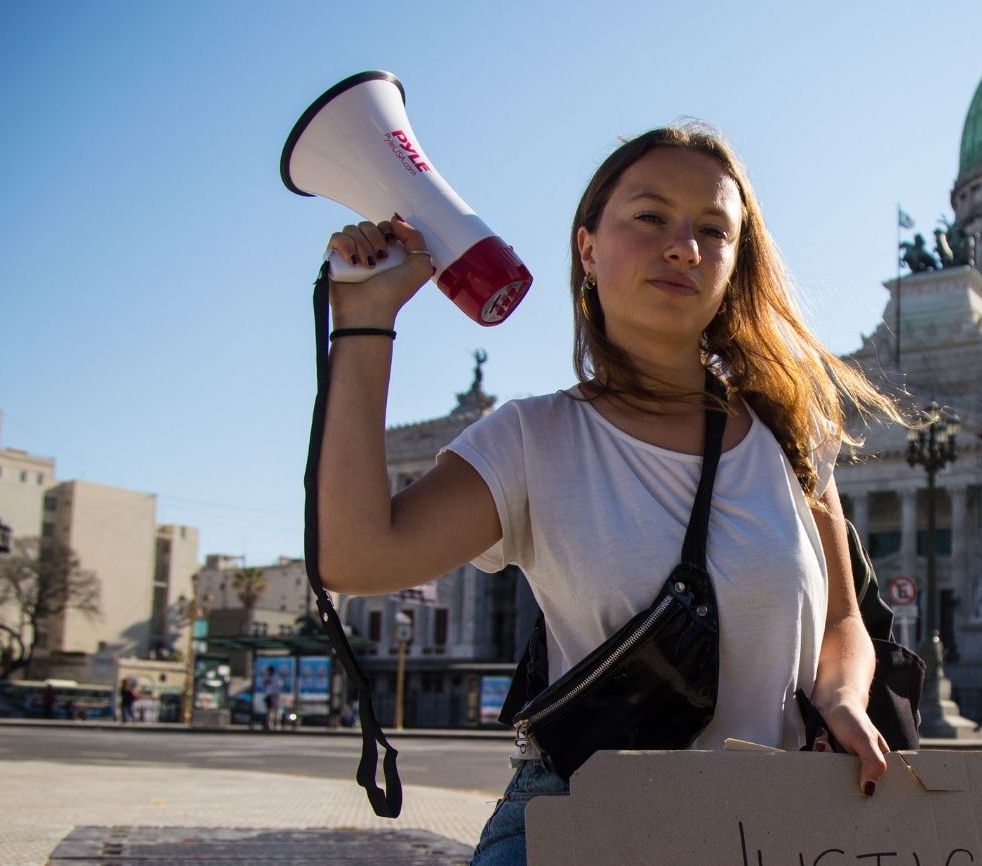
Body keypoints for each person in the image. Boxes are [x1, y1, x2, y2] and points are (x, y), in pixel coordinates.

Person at [314, 124, 902, 866]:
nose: (682, 246)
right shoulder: (531, 440)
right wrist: (365, 318)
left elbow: (843, 617)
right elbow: (355, 556)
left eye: (712, 230)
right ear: (587, 248)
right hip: (582, 824)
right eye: (650, 217)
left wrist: (844, 696)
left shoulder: (792, 431)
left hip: (768, 833)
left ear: (734, 264)